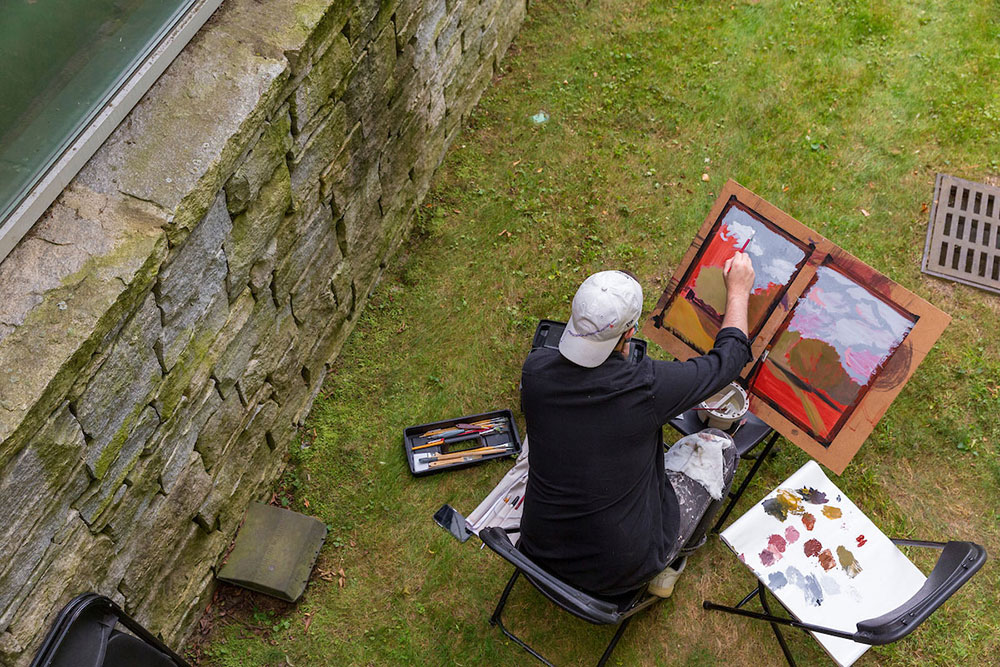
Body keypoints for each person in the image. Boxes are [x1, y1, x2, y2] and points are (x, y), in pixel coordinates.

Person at [518, 253, 755, 597]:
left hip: (540, 550)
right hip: (620, 571)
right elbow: (729, 361)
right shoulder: (644, 388)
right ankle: (672, 562)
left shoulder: (536, 371)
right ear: (629, 332)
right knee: (720, 446)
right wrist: (738, 292)